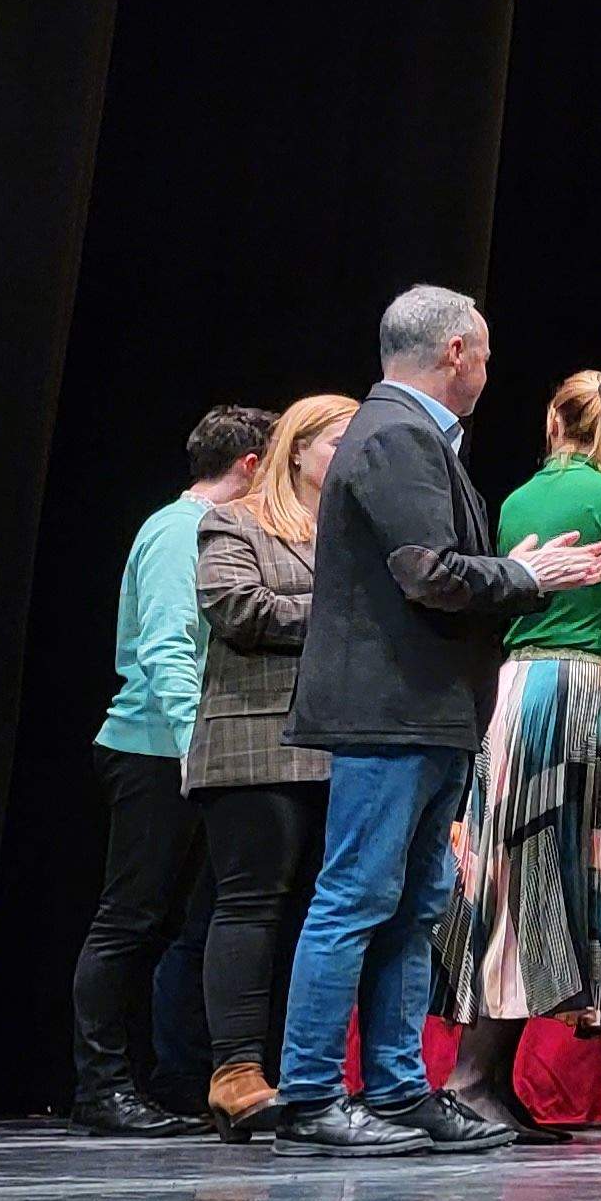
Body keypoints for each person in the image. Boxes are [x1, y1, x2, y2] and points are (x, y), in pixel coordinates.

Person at [276, 286, 601, 1159]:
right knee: (355, 898)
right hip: (389, 709)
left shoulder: (415, 435)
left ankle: (393, 1087)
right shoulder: (394, 432)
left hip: (428, 711)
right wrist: (530, 579)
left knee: (414, 904)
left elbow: (442, 570)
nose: (489, 374)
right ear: (459, 351)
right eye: (489, 357)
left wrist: (512, 570)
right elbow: (428, 572)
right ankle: (313, 1092)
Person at [432, 370, 601, 1140]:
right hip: (580, 702)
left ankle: (489, 1079)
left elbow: (555, 620)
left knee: (515, 871)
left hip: (515, 694)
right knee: (550, 874)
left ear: (554, 419)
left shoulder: (517, 498)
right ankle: (472, 1078)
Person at [68, 404, 275, 1137]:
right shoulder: (178, 530)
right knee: (129, 921)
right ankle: (101, 1087)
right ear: (250, 466)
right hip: (155, 751)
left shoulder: (217, 533)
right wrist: (198, 751)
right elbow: (164, 649)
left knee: (179, 925)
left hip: (187, 753)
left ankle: (173, 1075)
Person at [183, 394, 354, 1141]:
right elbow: (239, 609)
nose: (352, 459)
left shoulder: (355, 536)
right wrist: (347, 608)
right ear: (296, 449)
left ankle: (303, 1072)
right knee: (251, 904)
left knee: (319, 914)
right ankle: (235, 1072)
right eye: (339, 444)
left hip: (337, 746)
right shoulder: (237, 520)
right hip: (254, 744)